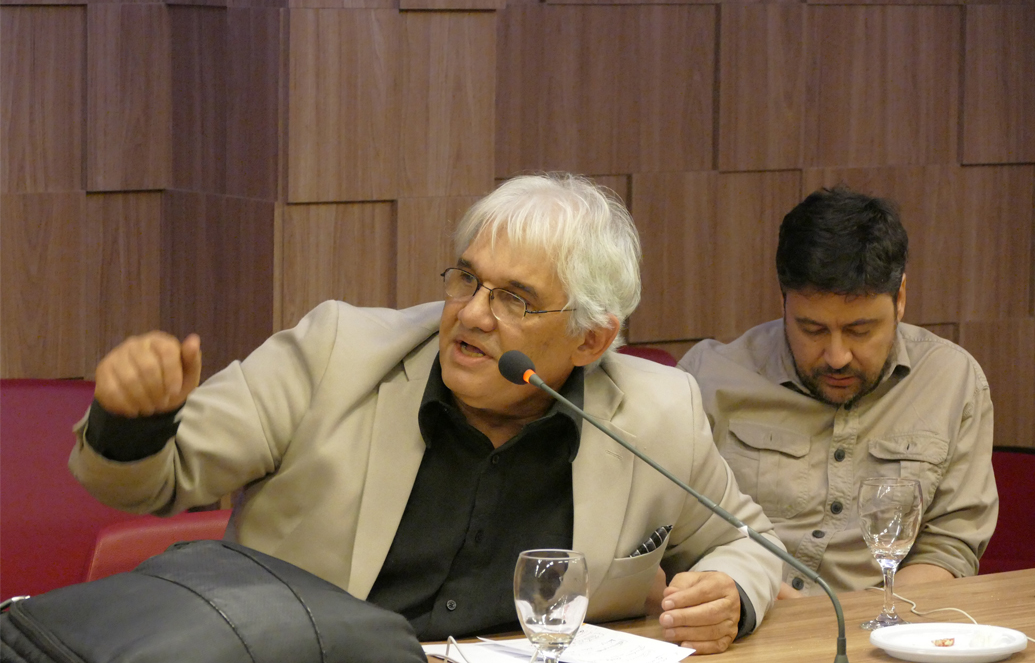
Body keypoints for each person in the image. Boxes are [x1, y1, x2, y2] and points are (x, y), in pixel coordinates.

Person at [70, 173, 783, 653]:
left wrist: (732, 594)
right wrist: (132, 420)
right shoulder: (336, 355)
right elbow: (154, 480)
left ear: (591, 339)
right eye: (467, 279)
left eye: (514, 300)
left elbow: (749, 543)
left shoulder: (656, 411)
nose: (471, 314)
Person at [679, 185, 998, 599]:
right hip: (747, 619)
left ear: (900, 298)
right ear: (783, 302)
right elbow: (673, 538)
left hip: (886, 624)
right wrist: (757, 598)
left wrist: (861, 618)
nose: (836, 356)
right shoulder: (706, 379)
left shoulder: (952, 380)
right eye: (812, 329)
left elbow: (948, 548)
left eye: (860, 330)